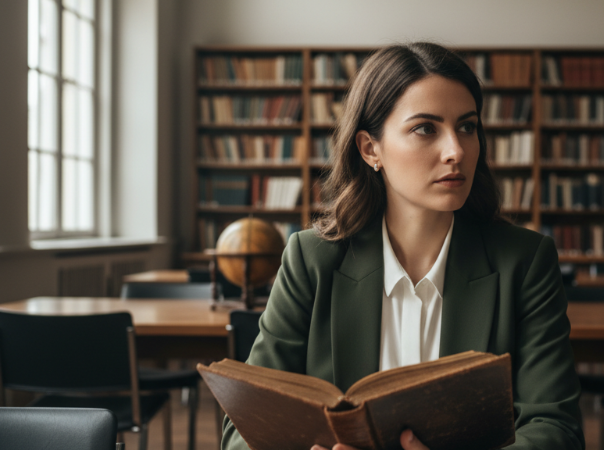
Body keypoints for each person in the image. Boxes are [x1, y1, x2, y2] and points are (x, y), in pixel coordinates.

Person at [221, 42, 584, 450]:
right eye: (426, 128)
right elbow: (242, 430)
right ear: (370, 149)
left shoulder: (525, 262)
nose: (457, 151)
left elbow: (556, 429)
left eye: (467, 126)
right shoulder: (311, 260)